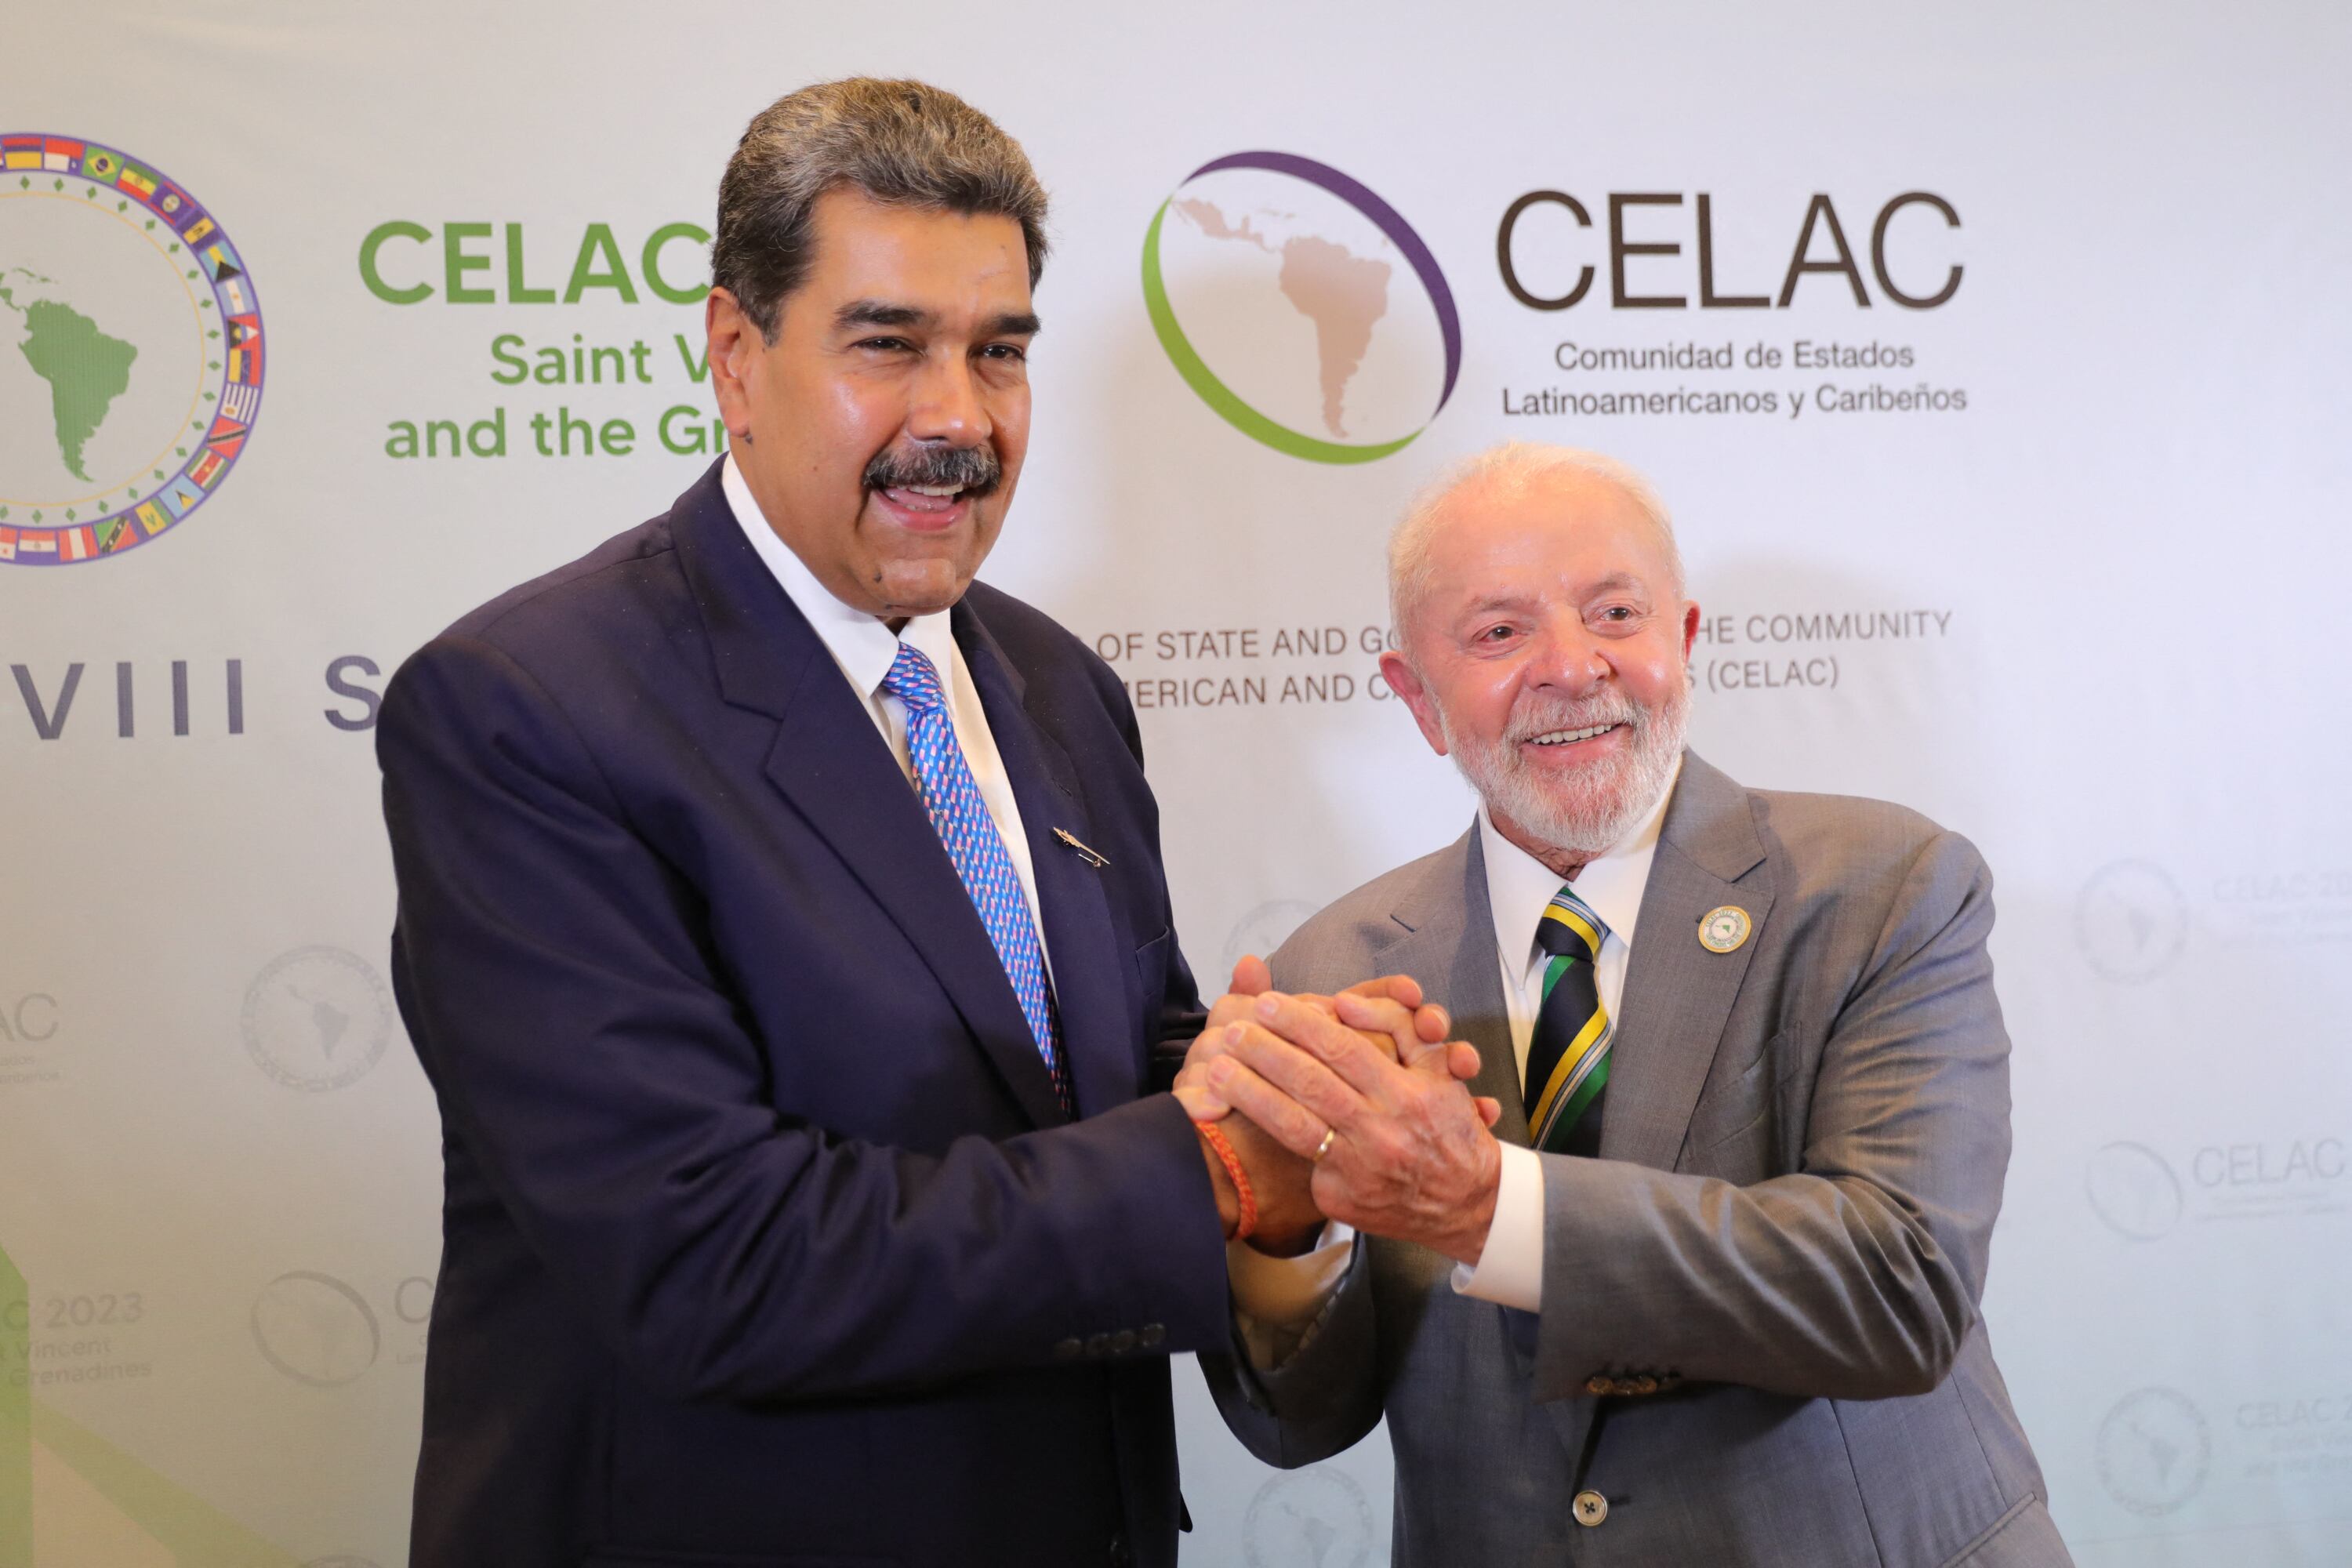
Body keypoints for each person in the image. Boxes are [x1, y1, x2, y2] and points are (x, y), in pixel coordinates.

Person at [376, 78, 1390, 1568]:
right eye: (888, 345)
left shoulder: (1057, 685)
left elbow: (1096, 1076)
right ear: (736, 357)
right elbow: (709, 1256)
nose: (958, 419)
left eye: (999, 353)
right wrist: (1218, 1166)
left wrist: (1301, 1092)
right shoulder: (526, 709)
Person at [1185, 443, 2074, 1566]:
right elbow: (1294, 1424)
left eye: (1615, 612)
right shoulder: (1330, 973)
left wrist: (1486, 1207)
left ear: (1683, 641)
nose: (1572, 667)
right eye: (1498, 633)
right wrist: (1283, 1229)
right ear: (1417, 698)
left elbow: (1902, 1293)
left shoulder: (1885, 886)